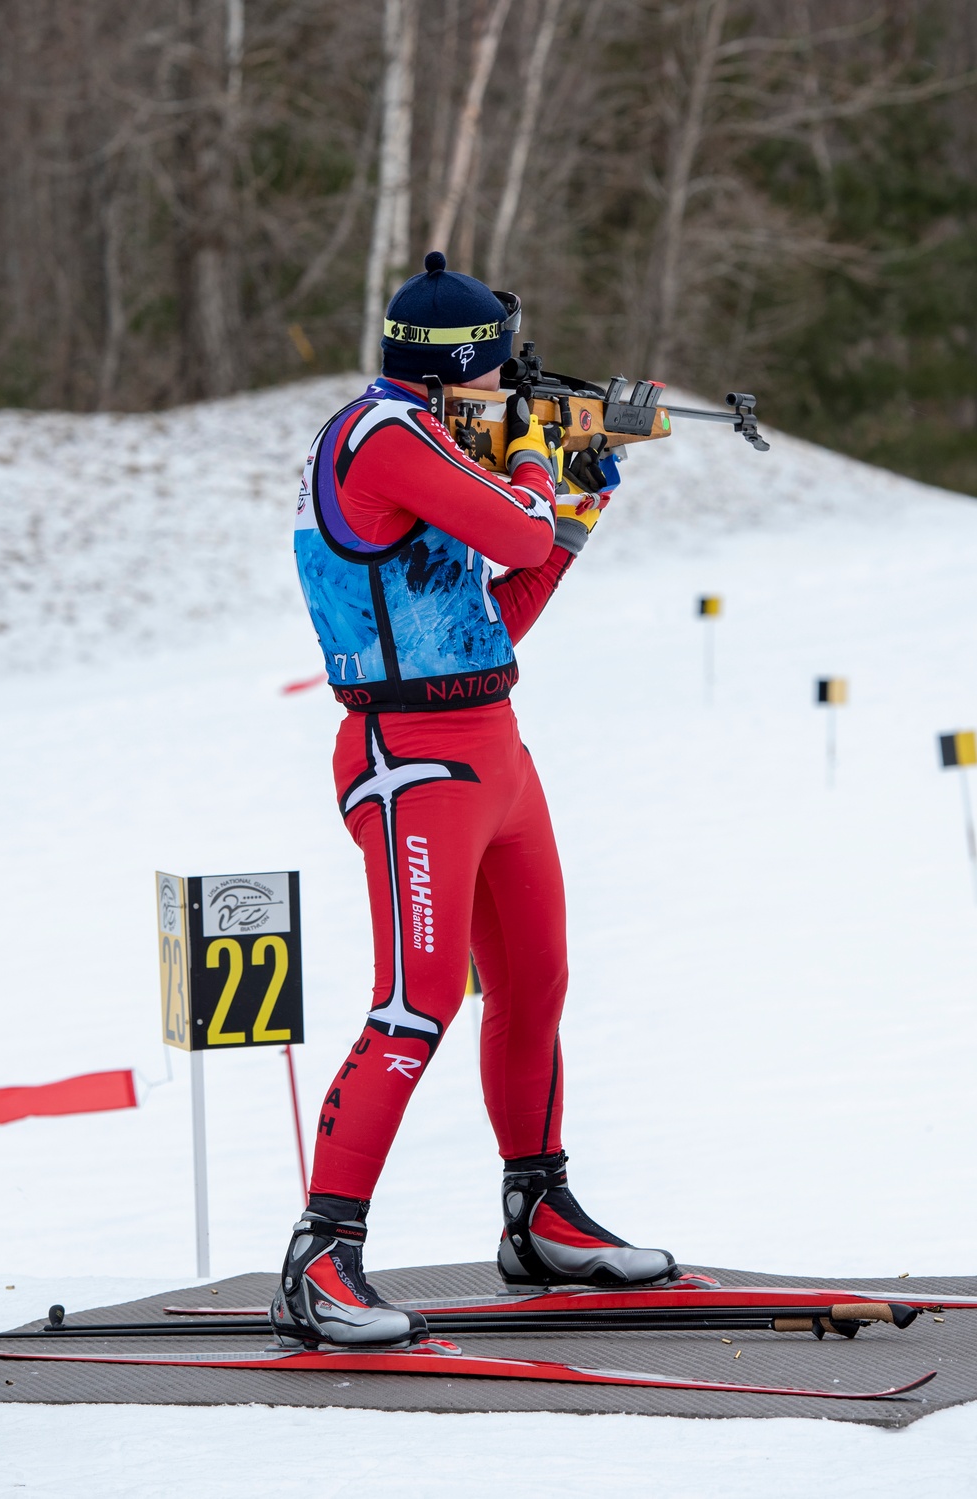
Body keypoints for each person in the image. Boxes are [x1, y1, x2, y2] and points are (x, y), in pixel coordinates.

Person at [271, 250, 680, 1351]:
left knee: (535, 979)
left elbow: (496, 610)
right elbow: (510, 529)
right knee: (415, 1004)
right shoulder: (384, 437)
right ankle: (321, 1258)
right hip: (412, 757)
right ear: (455, 375)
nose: (507, 395)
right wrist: (544, 465)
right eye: (497, 380)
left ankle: (537, 1210)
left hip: (491, 741)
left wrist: (580, 498)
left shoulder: (440, 440)